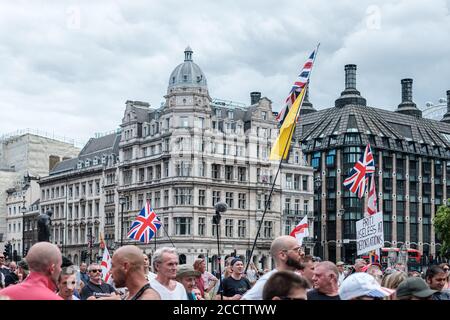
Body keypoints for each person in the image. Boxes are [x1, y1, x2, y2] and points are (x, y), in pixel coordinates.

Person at [242, 235, 304, 300]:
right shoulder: (268, 281)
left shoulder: (299, 278)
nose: (302, 253)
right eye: (297, 250)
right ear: (283, 255)